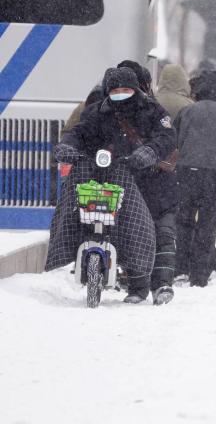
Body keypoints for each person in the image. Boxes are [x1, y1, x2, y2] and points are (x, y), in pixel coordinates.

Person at [49, 67, 178, 305]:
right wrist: (66, 146)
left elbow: (167, 136)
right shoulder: (98, 112)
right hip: (112, 177)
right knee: (108, 221)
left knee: (145, 229)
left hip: (150, 181)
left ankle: (150, 285)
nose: (120, 94)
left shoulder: (152, 111)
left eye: (126, 89)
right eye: (115, 90)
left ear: (137, 89)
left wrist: (148, 152)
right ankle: (127, 279)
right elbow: (79, 132)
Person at [174, 70, 216, 286]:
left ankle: (180, 267)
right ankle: (200, 274)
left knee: (183, 222)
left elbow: (175, 142)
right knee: (207, 225)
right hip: (214, 176)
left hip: (185, 173)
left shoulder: (186, 112)